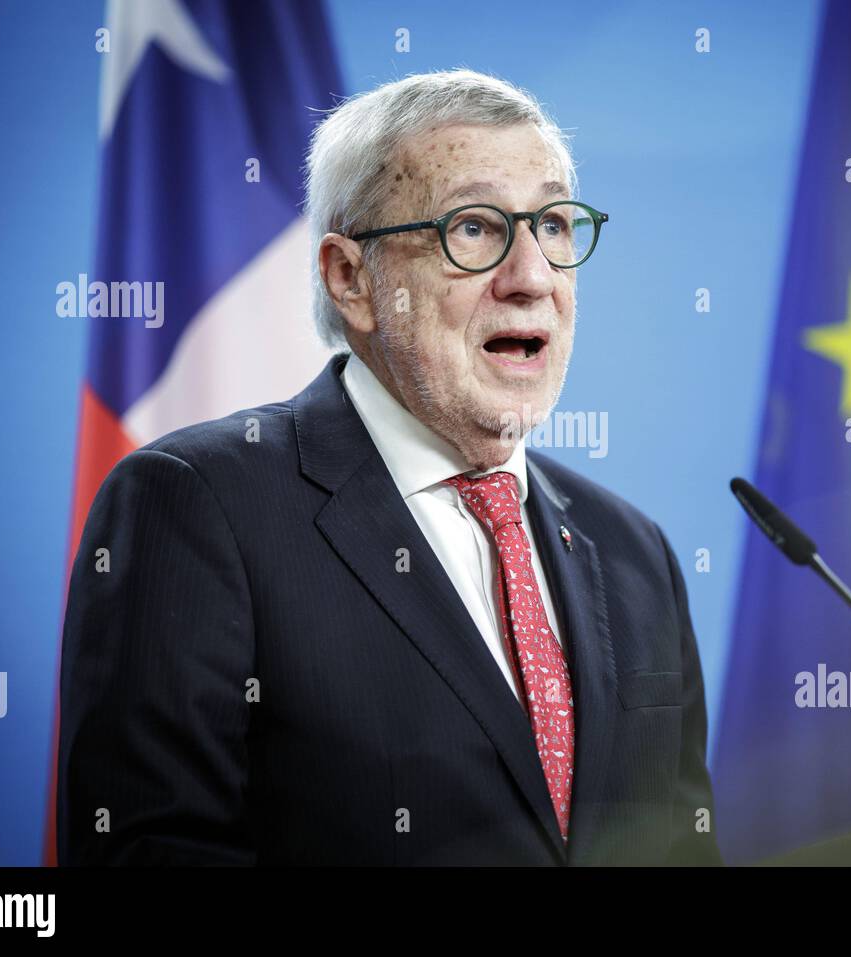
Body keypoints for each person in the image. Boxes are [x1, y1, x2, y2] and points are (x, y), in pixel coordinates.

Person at [57, 68, 721, 866]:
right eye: (473, 229)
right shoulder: (198, 507)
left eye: (552, 224)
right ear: (351, 279)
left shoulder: (633, 551)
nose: (532, 278)